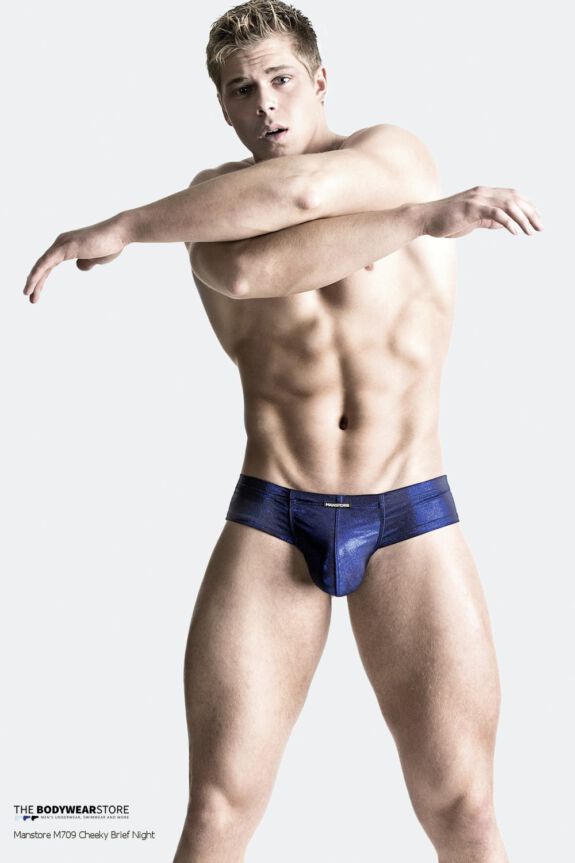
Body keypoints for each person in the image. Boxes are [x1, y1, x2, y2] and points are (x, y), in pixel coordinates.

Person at [24, 2, 543, 860]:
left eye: (280, 79)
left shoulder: (395, 155)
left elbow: (305, 193)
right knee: (217, 809)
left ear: (320, 80)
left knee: (463, 808)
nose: (264, 104)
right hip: (274, 511)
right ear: (221, 107)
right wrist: (417, 219)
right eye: (241, 90)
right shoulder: (203, 204)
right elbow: (252, 270)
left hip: (408, 509)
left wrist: (124, 226)